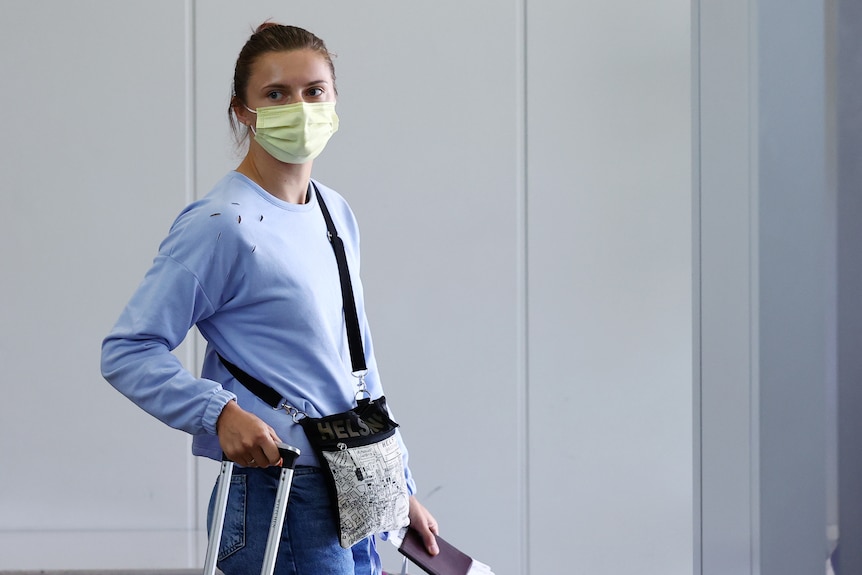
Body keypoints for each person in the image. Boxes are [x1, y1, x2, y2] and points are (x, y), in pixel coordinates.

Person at [101, 22, 438, 575]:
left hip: (353, 486)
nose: (299, 107)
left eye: (314, 91)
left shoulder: (333, 211)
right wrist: (218, 413)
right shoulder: (221, 224)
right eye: (276, 93)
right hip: (280, 494)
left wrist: (398, 488)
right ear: (242, 111)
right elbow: (127, 350)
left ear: (334, 101)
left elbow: (354, 362)